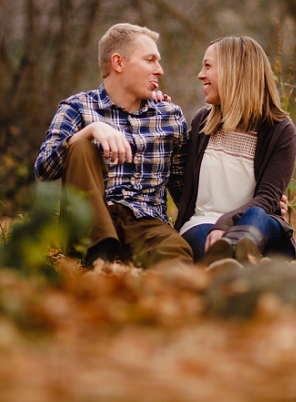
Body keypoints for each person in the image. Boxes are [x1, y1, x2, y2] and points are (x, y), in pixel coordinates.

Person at [34, 23, 193, 267]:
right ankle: (99, 258)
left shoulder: (169, 116)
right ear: (118, 63)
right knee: (81, 146)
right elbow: (44, 171)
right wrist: (89, 131)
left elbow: (183, 189)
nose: (159, 70)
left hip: (146, 222)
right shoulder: (77, 108)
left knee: (177, 254)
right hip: (90, 220)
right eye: (149, 60)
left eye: (158, 61)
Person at [174, 35, 296, 264]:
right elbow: (172, 171)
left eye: (208, 66)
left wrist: (225, 223)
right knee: (205, 239)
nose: (200, 75)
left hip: (257, 227)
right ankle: (248, 268)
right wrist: (154, 107)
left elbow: (267, 200)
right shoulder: (202, 122)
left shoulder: (280, 130)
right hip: (202, 223)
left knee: (257, 215)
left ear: (234, 71)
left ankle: (236, 256)